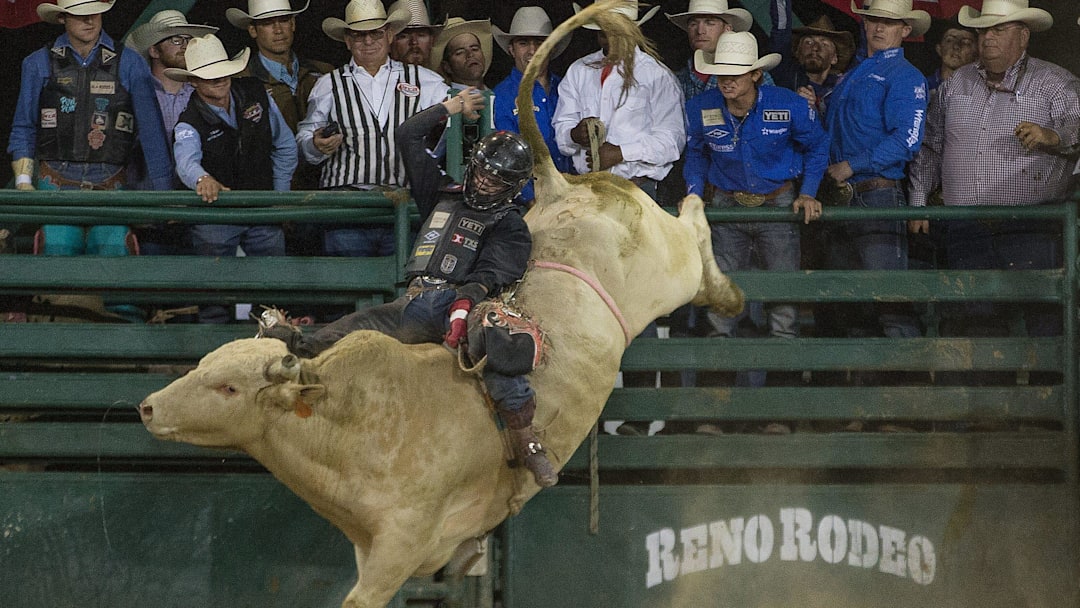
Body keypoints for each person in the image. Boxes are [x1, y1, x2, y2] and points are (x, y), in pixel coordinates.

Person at [259, 91, 558, 487]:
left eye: (495, 179)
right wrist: (450, 108)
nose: (484, 181)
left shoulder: (509, 224)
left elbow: (490, 273)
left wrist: (464, 305)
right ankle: (290, 353)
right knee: (343, 333)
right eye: (482, 171)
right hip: (414, 301)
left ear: (512, 186)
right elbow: (407, 135)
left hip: (460, 301)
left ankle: (527, 440)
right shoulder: (441, 193)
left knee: (494, 338)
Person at [908, 0, 1080, 343]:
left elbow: (1078, 127)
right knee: (972, 322)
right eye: (984, 30)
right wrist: (917, 200)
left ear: (1023, 36)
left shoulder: (1056, 83)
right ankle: (982, 393)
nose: (988, 39)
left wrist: (1052, 136)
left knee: (1044, 321)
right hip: (967, 226)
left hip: (1033, 226)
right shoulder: (956, 84)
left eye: (998, 30)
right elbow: (931, 145)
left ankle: (1043, 394)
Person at [684, 31, 827, 412]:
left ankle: (778, 413)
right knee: (721, 312)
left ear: (755, 75)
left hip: (777, 205)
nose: (727, 80)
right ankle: (716, 413)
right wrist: (695, 191)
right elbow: (695, 152)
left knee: (782, 312)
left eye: (736, 73)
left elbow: (818, 145)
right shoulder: (702, 106)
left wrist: (808, 191)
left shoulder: (789, 105)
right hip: (727, 207)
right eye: (721, 73)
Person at [8, 0, 173, 257]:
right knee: (57, 252)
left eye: (95, 13)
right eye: (80, 15)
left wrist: (164, 195)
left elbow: (151, 134)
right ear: (63, 18)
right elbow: (24, 126)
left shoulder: (130, 63)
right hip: (56, 184)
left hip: (112, 183)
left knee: (115, 256)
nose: (89, 20)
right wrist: (23, 181)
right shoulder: (37, 63)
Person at [296, 0, 446, 257]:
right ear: (347, 40)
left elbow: (463, 114)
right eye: (359, 35)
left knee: (402, 283)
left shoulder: (425, 81)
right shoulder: (327, 85)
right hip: (347, 208)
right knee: (349, 283)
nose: (368, 41)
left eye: (375, 33)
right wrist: (316, 144)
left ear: (388, 35)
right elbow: (305, 139)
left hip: (404, 205)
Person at [168, 34, 297, 323]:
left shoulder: (256, 94)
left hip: (261, 209)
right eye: (208, 75)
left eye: (222, 72)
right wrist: (202, 179)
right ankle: (215, 353)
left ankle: (270, 351)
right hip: (215, 216)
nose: (219, 79)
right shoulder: (189, 121)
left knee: (273, 294)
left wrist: (278, 197)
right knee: (215, 298)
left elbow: (285, 145)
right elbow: (186, 161)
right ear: (193, 81)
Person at [821, 0, 929, 341]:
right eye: (872, 20)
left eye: (889, 22)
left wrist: (851, 165)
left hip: (876, 193)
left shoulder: (906, 76)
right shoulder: (855, 73)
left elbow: (908, 140)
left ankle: (909, 387)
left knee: (889, 302)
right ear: (864, 24)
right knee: (852, 306)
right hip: (851, 195)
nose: (879, 28)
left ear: (905, 30)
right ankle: (868, 389)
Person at [554, 3, 684, 202]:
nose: (610, 39)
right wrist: (574, 134)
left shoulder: (657, 75)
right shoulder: (578, 71)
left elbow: (672, 141)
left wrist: (621, 153)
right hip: (587, 188)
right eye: (604, 33)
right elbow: (562, 131)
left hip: (638, 188)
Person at [125, 10, 218, 257]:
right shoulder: (133, 96)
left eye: (187, 40)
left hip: (200, 211)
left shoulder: (203, 92)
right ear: (154, 51)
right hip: (148, 212)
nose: (184, 46)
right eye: (176, 40)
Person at [227, 0, 333, 198]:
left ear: (293, 24)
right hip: (268, 187)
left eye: (283, 20)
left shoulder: (323, 73)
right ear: (253, 30)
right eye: (267, 23)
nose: (278, 30)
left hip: (322, 186)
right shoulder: (240, 81)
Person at [492, 6, 574, 204]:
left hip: (575, 196)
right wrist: (531, 198)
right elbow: (506, 158)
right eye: (523, 43)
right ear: (511, 49)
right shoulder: (500, 96)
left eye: (540, 43)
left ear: (552, 48)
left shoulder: (569, 87)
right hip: (530, 204)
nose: (532, 51)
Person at [665, 0, 754, 102]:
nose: (700, 31)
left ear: (727, 29)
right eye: (693, 24)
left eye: (710, 23)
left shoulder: (750, 76)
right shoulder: (675, 81)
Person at [787, 15, 855, 111]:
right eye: (809, 42)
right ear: (798, 53)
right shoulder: (784, 82)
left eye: (824, 44)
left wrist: (814, 111)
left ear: (834, 58)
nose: (815, 48)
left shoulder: (842, 91)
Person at [430, 17, 493, 91]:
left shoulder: (498, 95)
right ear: (447, 67)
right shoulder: (445, 99)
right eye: (460, 52)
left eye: (474, 49)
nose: (470, 55)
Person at [924, 18, 978, 94]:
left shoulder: (980, 89)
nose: (956, 46)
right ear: (939, 49)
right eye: (950, 40)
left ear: (976, 53)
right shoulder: (923, 86)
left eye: (966, 42)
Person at [388, 0, 443, 67]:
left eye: (421, 35)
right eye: (404, 36)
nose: (414, 42)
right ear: (390, 43)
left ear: (431, 41)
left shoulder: (437, 77)